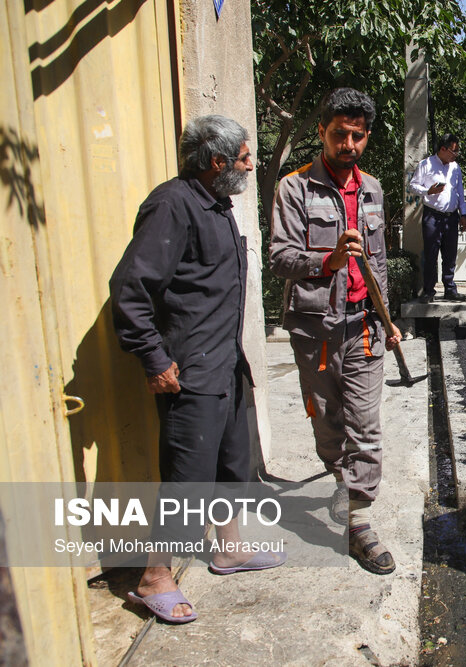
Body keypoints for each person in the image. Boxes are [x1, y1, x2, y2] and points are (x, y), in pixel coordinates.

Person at [110, 115, 285, 624]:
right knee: (187, 479)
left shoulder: (217, 206)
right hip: (190, 372)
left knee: (233, 464)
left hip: (225, 364)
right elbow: (131, 288)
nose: (252, 164)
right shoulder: (172, 204)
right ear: (218, 162)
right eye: (247, 157)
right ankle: (154, 578)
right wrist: (154, 356)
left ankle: (228, 549)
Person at [270, 88, 401, 575]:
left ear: (366, 137)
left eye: (358, 136)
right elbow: (280, 258)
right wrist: (327, 261)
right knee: (328, 425)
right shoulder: (294, 188)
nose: (349, 144)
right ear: (323, 131)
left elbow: (380, 260)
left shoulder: (372, 188)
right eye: (340, 134)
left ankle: (360, 521)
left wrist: (387, 318)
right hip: (315, 330)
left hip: (364, 327)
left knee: (366, 427)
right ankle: (341, 480)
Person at [409, 133, 466, 302]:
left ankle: (450, 288)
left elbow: (460, 193)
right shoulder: (426, 164)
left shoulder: (455, 167)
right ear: (443, 149)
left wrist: (463, 214)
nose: (455, 154)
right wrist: (428, 191)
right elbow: (413, 185)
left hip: (451, 217)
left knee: (450, 254)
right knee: (431, 253)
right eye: (453, 151)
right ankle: (429, 291)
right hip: (432, 216)